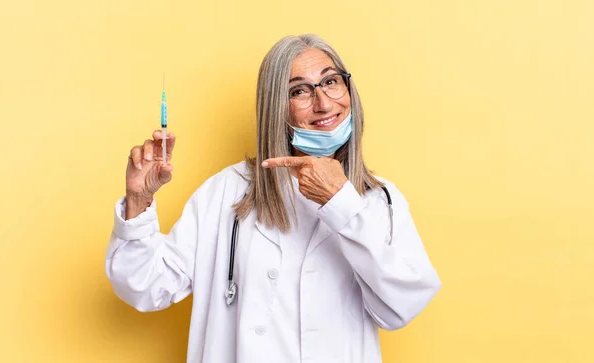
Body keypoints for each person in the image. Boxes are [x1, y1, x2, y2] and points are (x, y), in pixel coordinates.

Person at [105, 34, 441, 363]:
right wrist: (138, 202)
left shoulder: (380, 200)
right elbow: (147, 287)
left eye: (331, 82)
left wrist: (343, 205)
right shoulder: (228, 191)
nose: (324, 104)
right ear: (276, 107)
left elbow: (402, 305)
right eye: (299, 91)